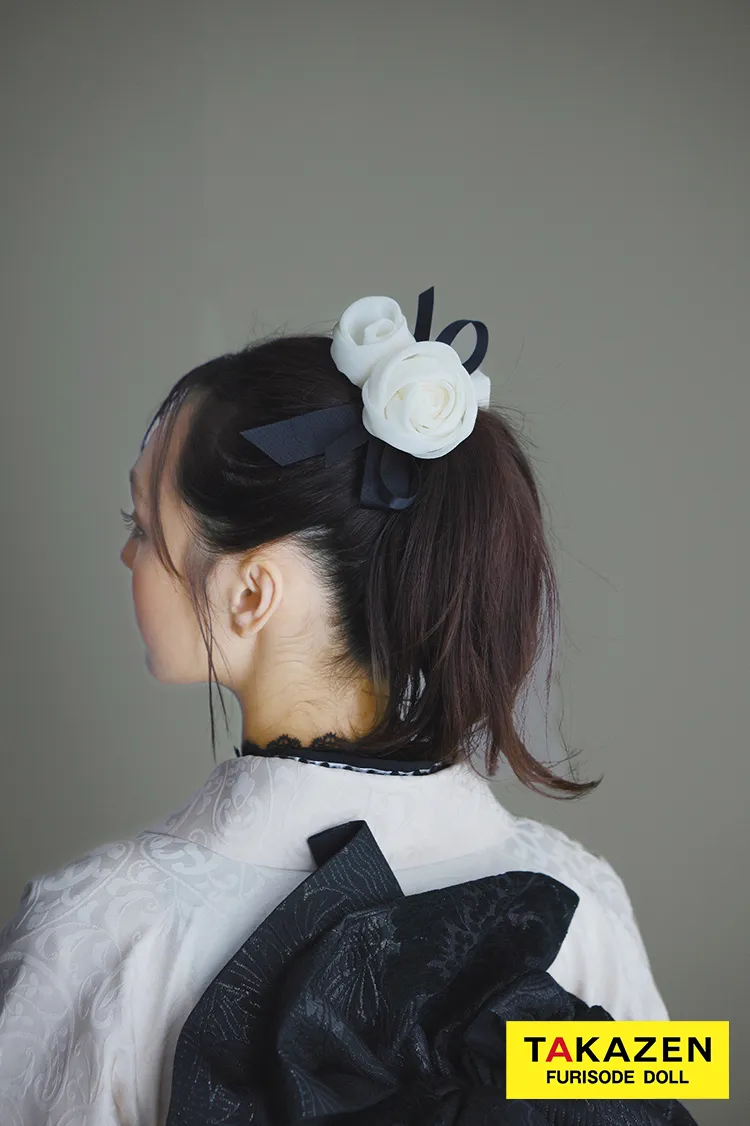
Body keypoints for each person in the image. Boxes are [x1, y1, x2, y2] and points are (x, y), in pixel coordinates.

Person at [0, 289, 686, 1125]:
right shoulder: (583, 903)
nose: (125, 552)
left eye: (142, 524)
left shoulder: (102, 933)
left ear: (250, 594)